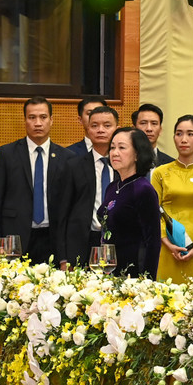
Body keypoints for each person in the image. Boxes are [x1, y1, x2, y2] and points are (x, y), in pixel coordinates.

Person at [0, 96, 74, 264]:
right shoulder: (7, 154)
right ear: (25, 120)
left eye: (43, 117)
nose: (38, 123)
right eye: (32, 117)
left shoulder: (67, 157)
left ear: (51, 120)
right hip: (15, 237)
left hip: (52, 238)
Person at [151, 115, 193, 282]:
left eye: (190, 134)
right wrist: (167, 243)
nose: (184, 139)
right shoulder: (160, 173)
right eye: (179, 134)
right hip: (166, 244)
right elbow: (154, 211)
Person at [58, 106, 119, 268]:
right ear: (87, 128)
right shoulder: (73, 166)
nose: (100, 130)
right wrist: (63, 257)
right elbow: (62, 213)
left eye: (107, 125)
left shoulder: (127, 166)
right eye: (95, 126)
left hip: (118, 242)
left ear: (117, 129)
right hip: (82, 243)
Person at [98, 128, 161, 278]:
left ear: (137, 154)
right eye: (112, 147)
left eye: (122, 147)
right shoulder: (112, 187)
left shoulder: (143, 189)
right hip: (108, 269)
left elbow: (152, 242)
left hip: (132, 273)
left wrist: (146, 281)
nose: (115, 153)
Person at [132, 103, 175, 167]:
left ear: (160, 130)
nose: (149, 129)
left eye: (154, 123)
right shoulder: (123, 161)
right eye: (143, 123)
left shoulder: (171, 164)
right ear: (134, 129)